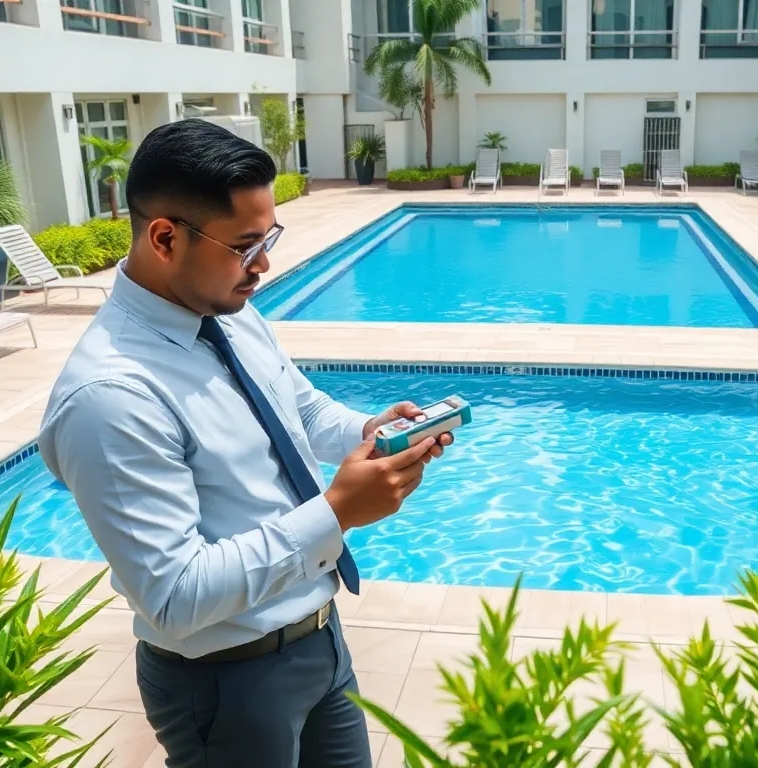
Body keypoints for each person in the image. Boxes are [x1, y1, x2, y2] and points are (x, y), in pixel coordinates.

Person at [38, 119, 453, 767]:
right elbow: (174, 598)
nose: (263, 265)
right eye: (246, 245)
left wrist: (367, 433)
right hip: (226, 684)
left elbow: (296, 407)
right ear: (166, 237)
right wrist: (338, 511)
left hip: (319, 640)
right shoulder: (111, 397)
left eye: (269, 239)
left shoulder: (230, 311)